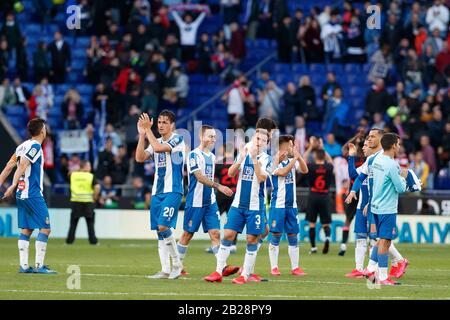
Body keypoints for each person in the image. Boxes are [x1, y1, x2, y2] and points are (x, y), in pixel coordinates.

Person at [204, 128, 272, 284]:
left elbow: (262, 178)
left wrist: (254, 159)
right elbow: (230, 173)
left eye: (262, 139)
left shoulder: (267, 159)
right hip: (238, 204)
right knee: (227, 235)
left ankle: (245, 275)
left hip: (254, 206)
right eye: (257, 138)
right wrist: (241, 158)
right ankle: (218, 271)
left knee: (251, 239)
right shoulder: (244, 152)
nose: (258, 141)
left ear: (267, 143)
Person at [346, 129, 409, 280]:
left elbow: (394, 182)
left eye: (372, 137)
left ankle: (390, 265)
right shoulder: (372, 160)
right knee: (367, 238)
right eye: (368, 137)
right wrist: (353, 191)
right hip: (370, 204)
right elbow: (358, 177)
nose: (368, 140)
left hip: (378, 205)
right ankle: (365, 269)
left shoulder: (384, 160)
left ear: (381, 140)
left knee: (380, 238)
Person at [2, 118, 57, 274]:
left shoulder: (21, 146)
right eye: (45, 128)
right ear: (41, 131)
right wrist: (12, 184)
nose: (46, 130)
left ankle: (24, 266)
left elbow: (8, 167)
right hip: (32, 193)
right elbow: (24, 164)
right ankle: (40, 266)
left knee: (27, 229)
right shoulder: (35, 147)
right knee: (45, 228)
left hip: (22, 193)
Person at [135, 110, 185, 280]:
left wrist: (148, 130)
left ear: (172, 125)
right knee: (159, 231)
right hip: (157, 191)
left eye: (165, 122)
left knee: (164, 226)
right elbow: (140, 158)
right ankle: (165, 270)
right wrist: (142, 135)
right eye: (160, 122)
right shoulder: (154, 140)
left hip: (173, 190)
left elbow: (157, 148)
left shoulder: (177, 139)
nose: (161, 125)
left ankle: (177, 265)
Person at [177, 125, 234, 273]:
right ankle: (178, 266)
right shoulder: (193, 155)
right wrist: (219, 186)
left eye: (214, 137)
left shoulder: (212, 156)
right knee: (187, 235)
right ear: (201, 137)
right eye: (210, 136)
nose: (213, 139)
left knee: (215, 234)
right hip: (195, 202)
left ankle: (222, 267)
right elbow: (199, 177)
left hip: (210, 201)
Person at [364, 133, 408, 285]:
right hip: (387, 207)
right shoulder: (391, 164)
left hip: (375, 206)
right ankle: (382, 277)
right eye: (399, 143)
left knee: (381, 240)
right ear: (394, 145)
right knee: (386, 241)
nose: (399, 146)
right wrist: (405, 176)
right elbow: (401, 188)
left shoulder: (377, 160)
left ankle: (370, 268)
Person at [268, 135, 308, 276]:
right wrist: (296, 158)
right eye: (291, 145)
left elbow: (305, 170)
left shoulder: (292, 160)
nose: (293, 147)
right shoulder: (272, 162)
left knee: (293, 234)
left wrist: (298, 157)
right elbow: (283, 172)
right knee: (276, 234)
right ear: (283, 146)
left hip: (292, 205)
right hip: (278, 205)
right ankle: (274, 267)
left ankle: (295, 267)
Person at [344, 139, 377, 278]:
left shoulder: (377, 162)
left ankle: (375, 268)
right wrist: (351, 156)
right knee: (360, 237)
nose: (363, 148)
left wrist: (371, 202)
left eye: (365, 145)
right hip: (360, 207)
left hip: (374, 206)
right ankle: (359, 269)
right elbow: (353, 175)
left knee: (376, 239)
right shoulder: (366, 164)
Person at [305, 149, 335, 254]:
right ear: (324, 156)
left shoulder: (311, 167)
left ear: (315, 157)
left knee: (312, 224)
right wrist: (322, 148)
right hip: (325, 196)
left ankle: (313, 248)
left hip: (313, 195)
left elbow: (303, 161)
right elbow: (331, 161)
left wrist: (310, 148)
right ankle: (327, 237)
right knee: (326, 224)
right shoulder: (329, 167)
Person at [66, 160, 100, 245]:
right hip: (88, 202)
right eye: (89, 166)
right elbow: (97, 187)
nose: (90, 168)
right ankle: (93, 242)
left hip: (76, 202)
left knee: (73, 223)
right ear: (85, 166)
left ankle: (69, 242)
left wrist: (78, 169)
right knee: (90, 224)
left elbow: (68, 173)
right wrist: (94, 198)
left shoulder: (73, 175)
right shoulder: (90, 176)